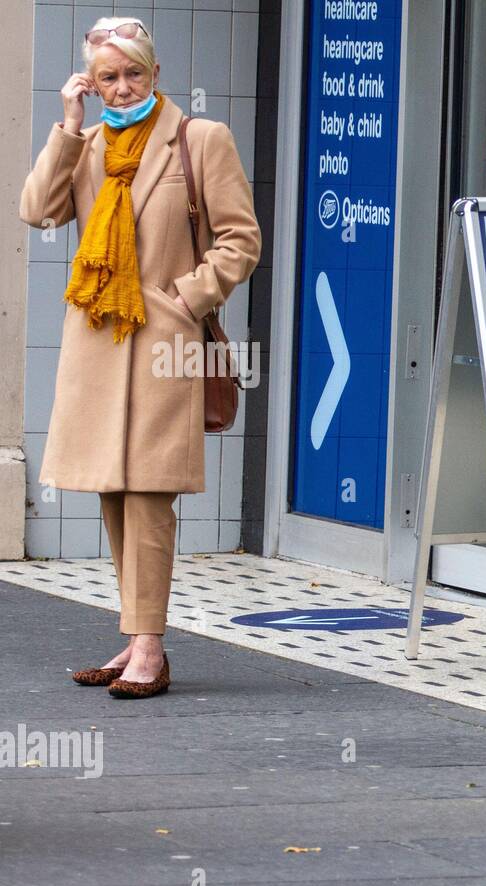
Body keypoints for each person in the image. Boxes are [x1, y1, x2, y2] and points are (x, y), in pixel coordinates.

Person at [20, 18, 260, 699]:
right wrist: (67, 126)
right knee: (113, 490)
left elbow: (241, 239)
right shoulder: (88, 144)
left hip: (163, 345)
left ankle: (149, 646)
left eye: (133, 74)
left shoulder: (201, 139)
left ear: (155, 75)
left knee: (150, 494)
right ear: (91, 86)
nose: (122, 88)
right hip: (98, 342)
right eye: (107, 78)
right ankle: (135, 636)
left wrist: (185, 299)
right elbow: (36, 210)